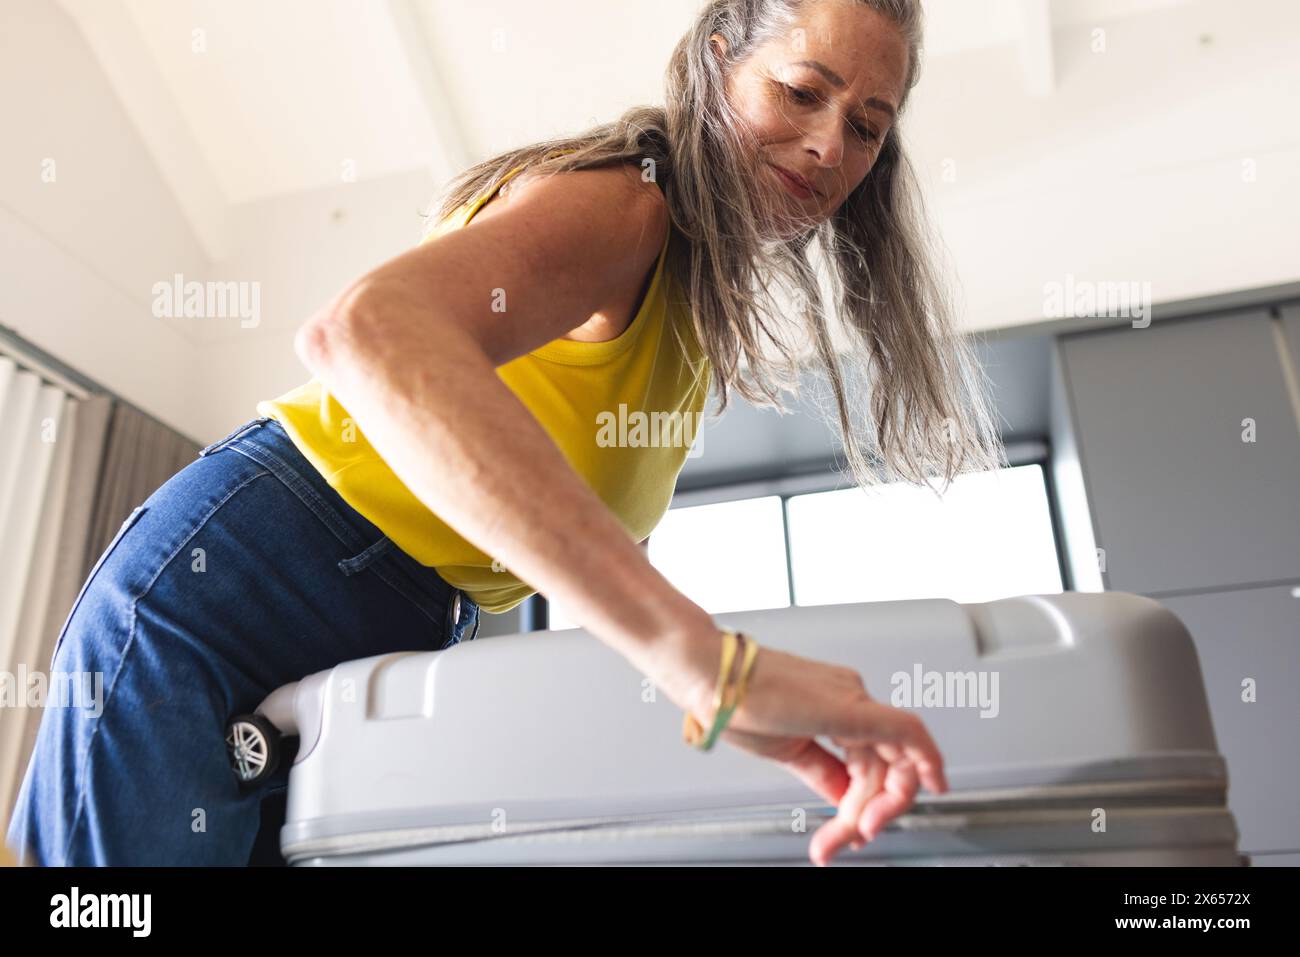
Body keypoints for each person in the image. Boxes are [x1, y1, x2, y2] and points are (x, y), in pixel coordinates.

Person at [6, 0, 1004, 867]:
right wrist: (712, 666)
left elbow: (597, 578)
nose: (833, 145)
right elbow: (363, 331)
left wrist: (721, 718)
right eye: (800, 91)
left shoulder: (689, 320)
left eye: (868, 125)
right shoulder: (629, 207)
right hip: (236, 590)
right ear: (715, 63)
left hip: (384, 627)